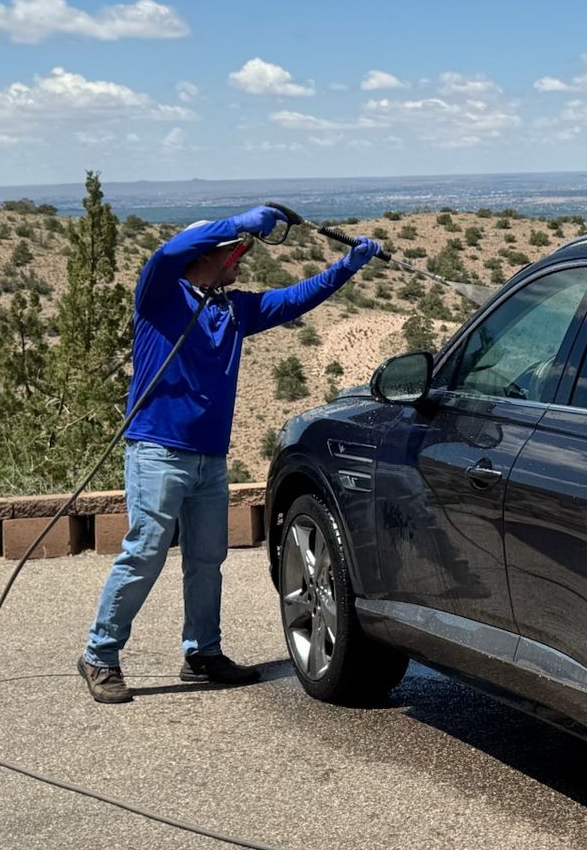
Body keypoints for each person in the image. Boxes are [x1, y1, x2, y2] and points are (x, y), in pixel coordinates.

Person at [77, 206, 382, 704]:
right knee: (145, 552)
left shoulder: (233, 309)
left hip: (208, 459)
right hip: (157, 452)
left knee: (206, 559)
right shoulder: (160, 292)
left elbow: (293, 301)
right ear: (213, 254)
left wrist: (346, 267)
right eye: (235, 253)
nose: (242, 260)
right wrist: (239, 223)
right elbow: (169, 252)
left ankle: (202, 653)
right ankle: (100, 655)